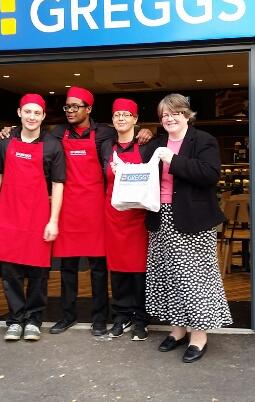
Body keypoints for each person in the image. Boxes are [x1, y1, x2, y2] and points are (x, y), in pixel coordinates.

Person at [0, 86, 152, 336]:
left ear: (88, 109)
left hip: (96, 209)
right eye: (67, 107)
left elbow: (128, 135)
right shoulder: (57, 133)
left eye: (75, 106)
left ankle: (100, 318)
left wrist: (144, 131)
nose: (70, 111)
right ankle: (67, 316)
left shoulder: (104, 132)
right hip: (67, 208)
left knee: (98, 269)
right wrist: (10, 130)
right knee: (67, 268)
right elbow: (30, 133)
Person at [145, 93, 232, 363]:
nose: (169, 118)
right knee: (169, 277)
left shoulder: (203, 140)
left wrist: (172, 159)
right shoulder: (155, 143)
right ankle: (178, 330)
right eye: (164, 115)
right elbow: (143, 172)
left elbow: (209, 174)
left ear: (186, 115)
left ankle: (198, 336)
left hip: (192, 219)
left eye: (174, 113)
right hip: (161, 217)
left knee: (194, 279)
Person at [0, 94, 65, 342]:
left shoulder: (52, 146)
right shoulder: (5, 143)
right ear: (19, 113)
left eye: (36, 113)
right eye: (27, 112)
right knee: (11, 272)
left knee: (39, 272)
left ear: (43, 116)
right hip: (8, 215)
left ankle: (34, 320)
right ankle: (16, 320)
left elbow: (59, 184)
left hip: (38, 216)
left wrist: (53, 220)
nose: (32, 117)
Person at [100, 98, 151, 341]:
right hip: (113, 216)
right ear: (112, 120)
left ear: (135, 119)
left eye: (126, 114)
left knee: (139, 270)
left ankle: (141, 319)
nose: (121, 118)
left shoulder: (147, 145)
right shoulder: (105, 146)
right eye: (117, 115)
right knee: (118, 269)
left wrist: (150, 132)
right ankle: (121, 316)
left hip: (139, 218)